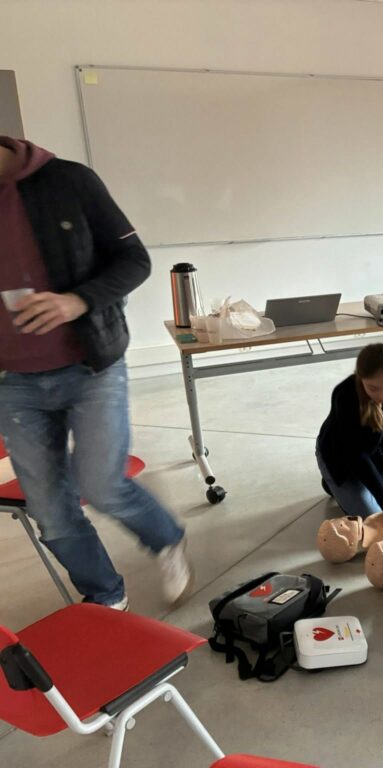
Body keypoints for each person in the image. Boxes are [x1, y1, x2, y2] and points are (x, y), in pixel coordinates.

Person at [0, 135, 193, 610]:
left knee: (102, 485)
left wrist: (77, 301)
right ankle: (106, 594)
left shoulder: (69, 180)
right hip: (14, 383)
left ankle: (166, 537)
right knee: (50, 511)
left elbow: (136, 260)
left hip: (91, 367)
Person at [316, 343, 383, 531]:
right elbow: (356, 456)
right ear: (361, 380)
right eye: (373, 388)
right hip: (341, 457)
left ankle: (353, 490)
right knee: (373, 517)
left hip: (378, 453)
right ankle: (331, 482)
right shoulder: (345, 395)